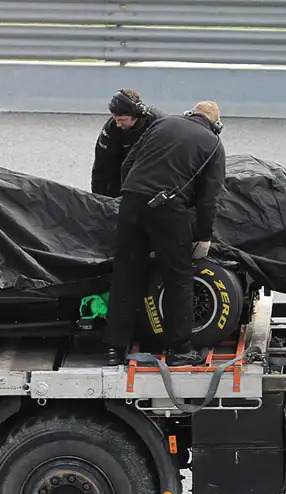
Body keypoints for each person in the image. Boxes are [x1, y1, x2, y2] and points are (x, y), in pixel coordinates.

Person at [103, 101, 227, 367]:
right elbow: (208, 201)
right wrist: (204, 237)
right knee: (179, 278)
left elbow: (128, 164)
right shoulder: (213, 145)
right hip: (167, 210)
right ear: (215, 125)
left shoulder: (163, 122)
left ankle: (114, 350)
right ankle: (179, 351)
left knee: (125, 275)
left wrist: (135, 195)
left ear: (189, 113)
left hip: (132, 202)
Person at [91, 89, 166, 198]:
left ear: (136, 114)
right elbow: (101, 168)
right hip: (121, 171)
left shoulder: (159, 123)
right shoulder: (111, 128)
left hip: (152, 173)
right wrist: (96, 200)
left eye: (122, 120)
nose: (118, 124)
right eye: (115, 119)